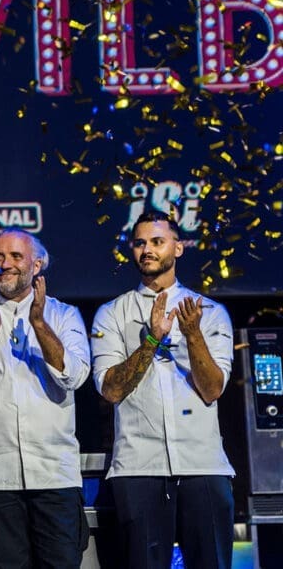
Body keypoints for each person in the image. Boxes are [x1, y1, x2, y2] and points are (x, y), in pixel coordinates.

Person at [91, 211, 235, 569]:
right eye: (140, 243)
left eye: (157, 241)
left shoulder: (210, 312)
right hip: (139, 467)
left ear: (179, 247)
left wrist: (193, 334)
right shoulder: (112, 314)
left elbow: (212, 389)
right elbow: (110, 389)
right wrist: (153, 338)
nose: (147, 250)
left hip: (202, 465)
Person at [0, 228, 90, 569]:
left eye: (15, 257)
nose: (4, 264)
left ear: (37, 265)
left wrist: (38, 324)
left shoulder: (63, 316)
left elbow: (74, 376)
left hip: (54, 477)